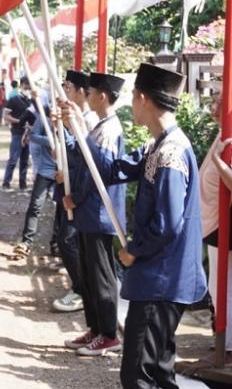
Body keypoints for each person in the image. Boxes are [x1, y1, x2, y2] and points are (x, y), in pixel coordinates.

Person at [112, 64, 206, 388]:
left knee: (138, 373)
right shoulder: (161, 144)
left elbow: (167, 224)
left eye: (132, 99)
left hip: (162, 278)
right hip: (165, 277)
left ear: (142, 97)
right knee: (159, 372)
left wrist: (133, 251)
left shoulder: (170, 154)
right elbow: (120, 167)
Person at [60, 72, 126, 356]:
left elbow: (101, 171)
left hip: (101, 211)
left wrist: (77, 196)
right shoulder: (100, 126)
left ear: (102, 96)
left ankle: (109, 332)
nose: (87, 97)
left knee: (101, 275)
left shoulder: (109, 130)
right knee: (88, 274)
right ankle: (96, 327)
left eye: (91, 92)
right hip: (90, 210)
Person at [50, 69, 95, 315]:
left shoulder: (88, 121)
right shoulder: (73, 118)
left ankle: (81, 290)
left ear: (80, 92)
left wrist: (68, 177)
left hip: (80, 193)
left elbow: (89, 158)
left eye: (68, 87)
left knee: (69, 239)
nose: (64, 91)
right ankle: (80, 287)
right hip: (68, 189)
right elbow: (69, 150)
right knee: (65, 239)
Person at [202, 92, 232, 359]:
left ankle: (229, 342)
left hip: (222, 223)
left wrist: (219, 163)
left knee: (224, 285)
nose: (213, 108)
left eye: (219, 104)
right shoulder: (222, 134)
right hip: (212, 221)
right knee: (217, 284)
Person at [13, 108, 57, 257]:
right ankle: (26, 242)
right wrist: (51, 142)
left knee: (62, 211)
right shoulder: (44, 119)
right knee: (35, 206)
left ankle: (56, 244)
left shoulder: (72, 118)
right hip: (45, 169)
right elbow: (33, 136)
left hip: (65, 171)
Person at [2, 77, 34, 190]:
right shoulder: (13, 99)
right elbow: (6, 116)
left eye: (29, 86)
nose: (28, 88)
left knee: (25, 160)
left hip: (29, 134)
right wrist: (18, 121)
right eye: (26, 86)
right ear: (21, 85)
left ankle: (23, 183)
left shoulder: (32, 101)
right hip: (17, 132)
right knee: (13, 159)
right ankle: (6, 182)